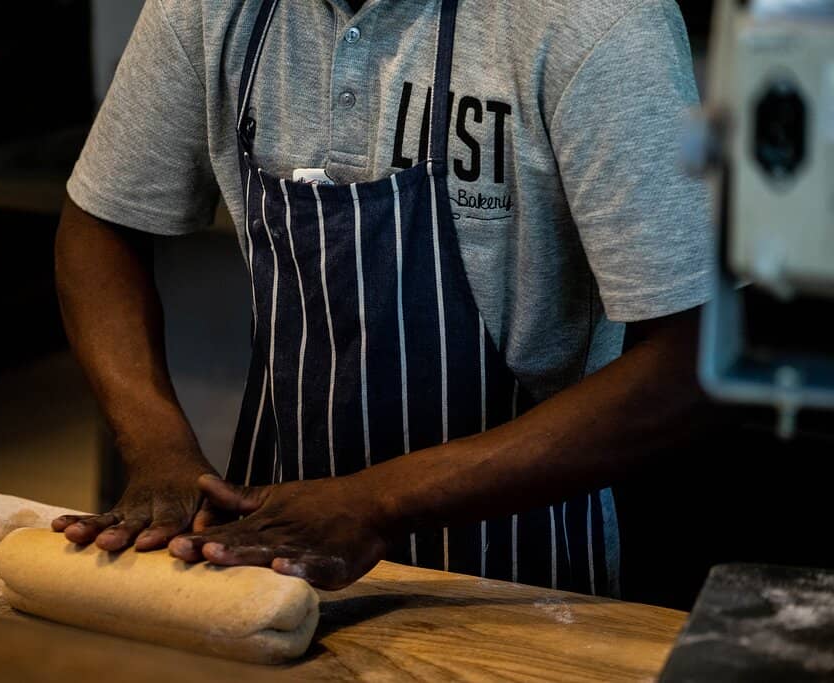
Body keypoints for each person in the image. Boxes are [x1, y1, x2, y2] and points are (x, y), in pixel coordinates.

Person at [51, 0, 712, 596]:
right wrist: (156, 444)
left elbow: (690, 361)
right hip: (273, 553)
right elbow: (101, 223)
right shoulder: (217, 10)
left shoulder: (597, 24)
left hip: (518, 572)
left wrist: (379, 503)